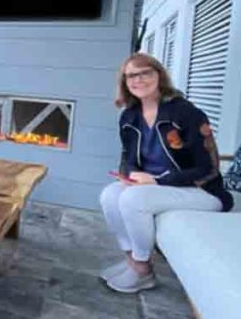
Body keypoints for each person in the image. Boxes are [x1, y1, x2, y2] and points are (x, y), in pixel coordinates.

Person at [99, 53, 233, 294]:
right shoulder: (129, 116)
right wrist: (128, 176)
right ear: (124, 82)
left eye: (145, 73)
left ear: (159, 75)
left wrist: (157, 180)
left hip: (200, 189)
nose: (138, 80)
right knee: (110, 195)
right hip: (155, 187)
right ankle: (131, 260)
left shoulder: (186, 113)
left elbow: (207, 168)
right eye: (131, 76)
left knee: (132, 199)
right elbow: (128, 157)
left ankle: (142, 269)